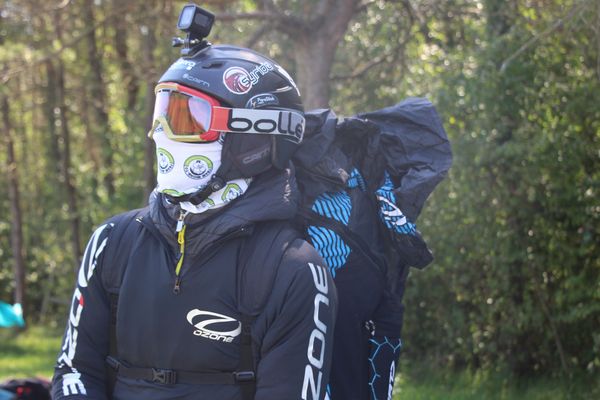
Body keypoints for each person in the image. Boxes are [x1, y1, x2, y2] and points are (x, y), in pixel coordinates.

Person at [51, 6, 337, 400]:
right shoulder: (111, 242)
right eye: (162, 113)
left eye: (186, 118)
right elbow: (74, 370)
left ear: (251, 139)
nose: (161, 134)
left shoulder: (293, 270)